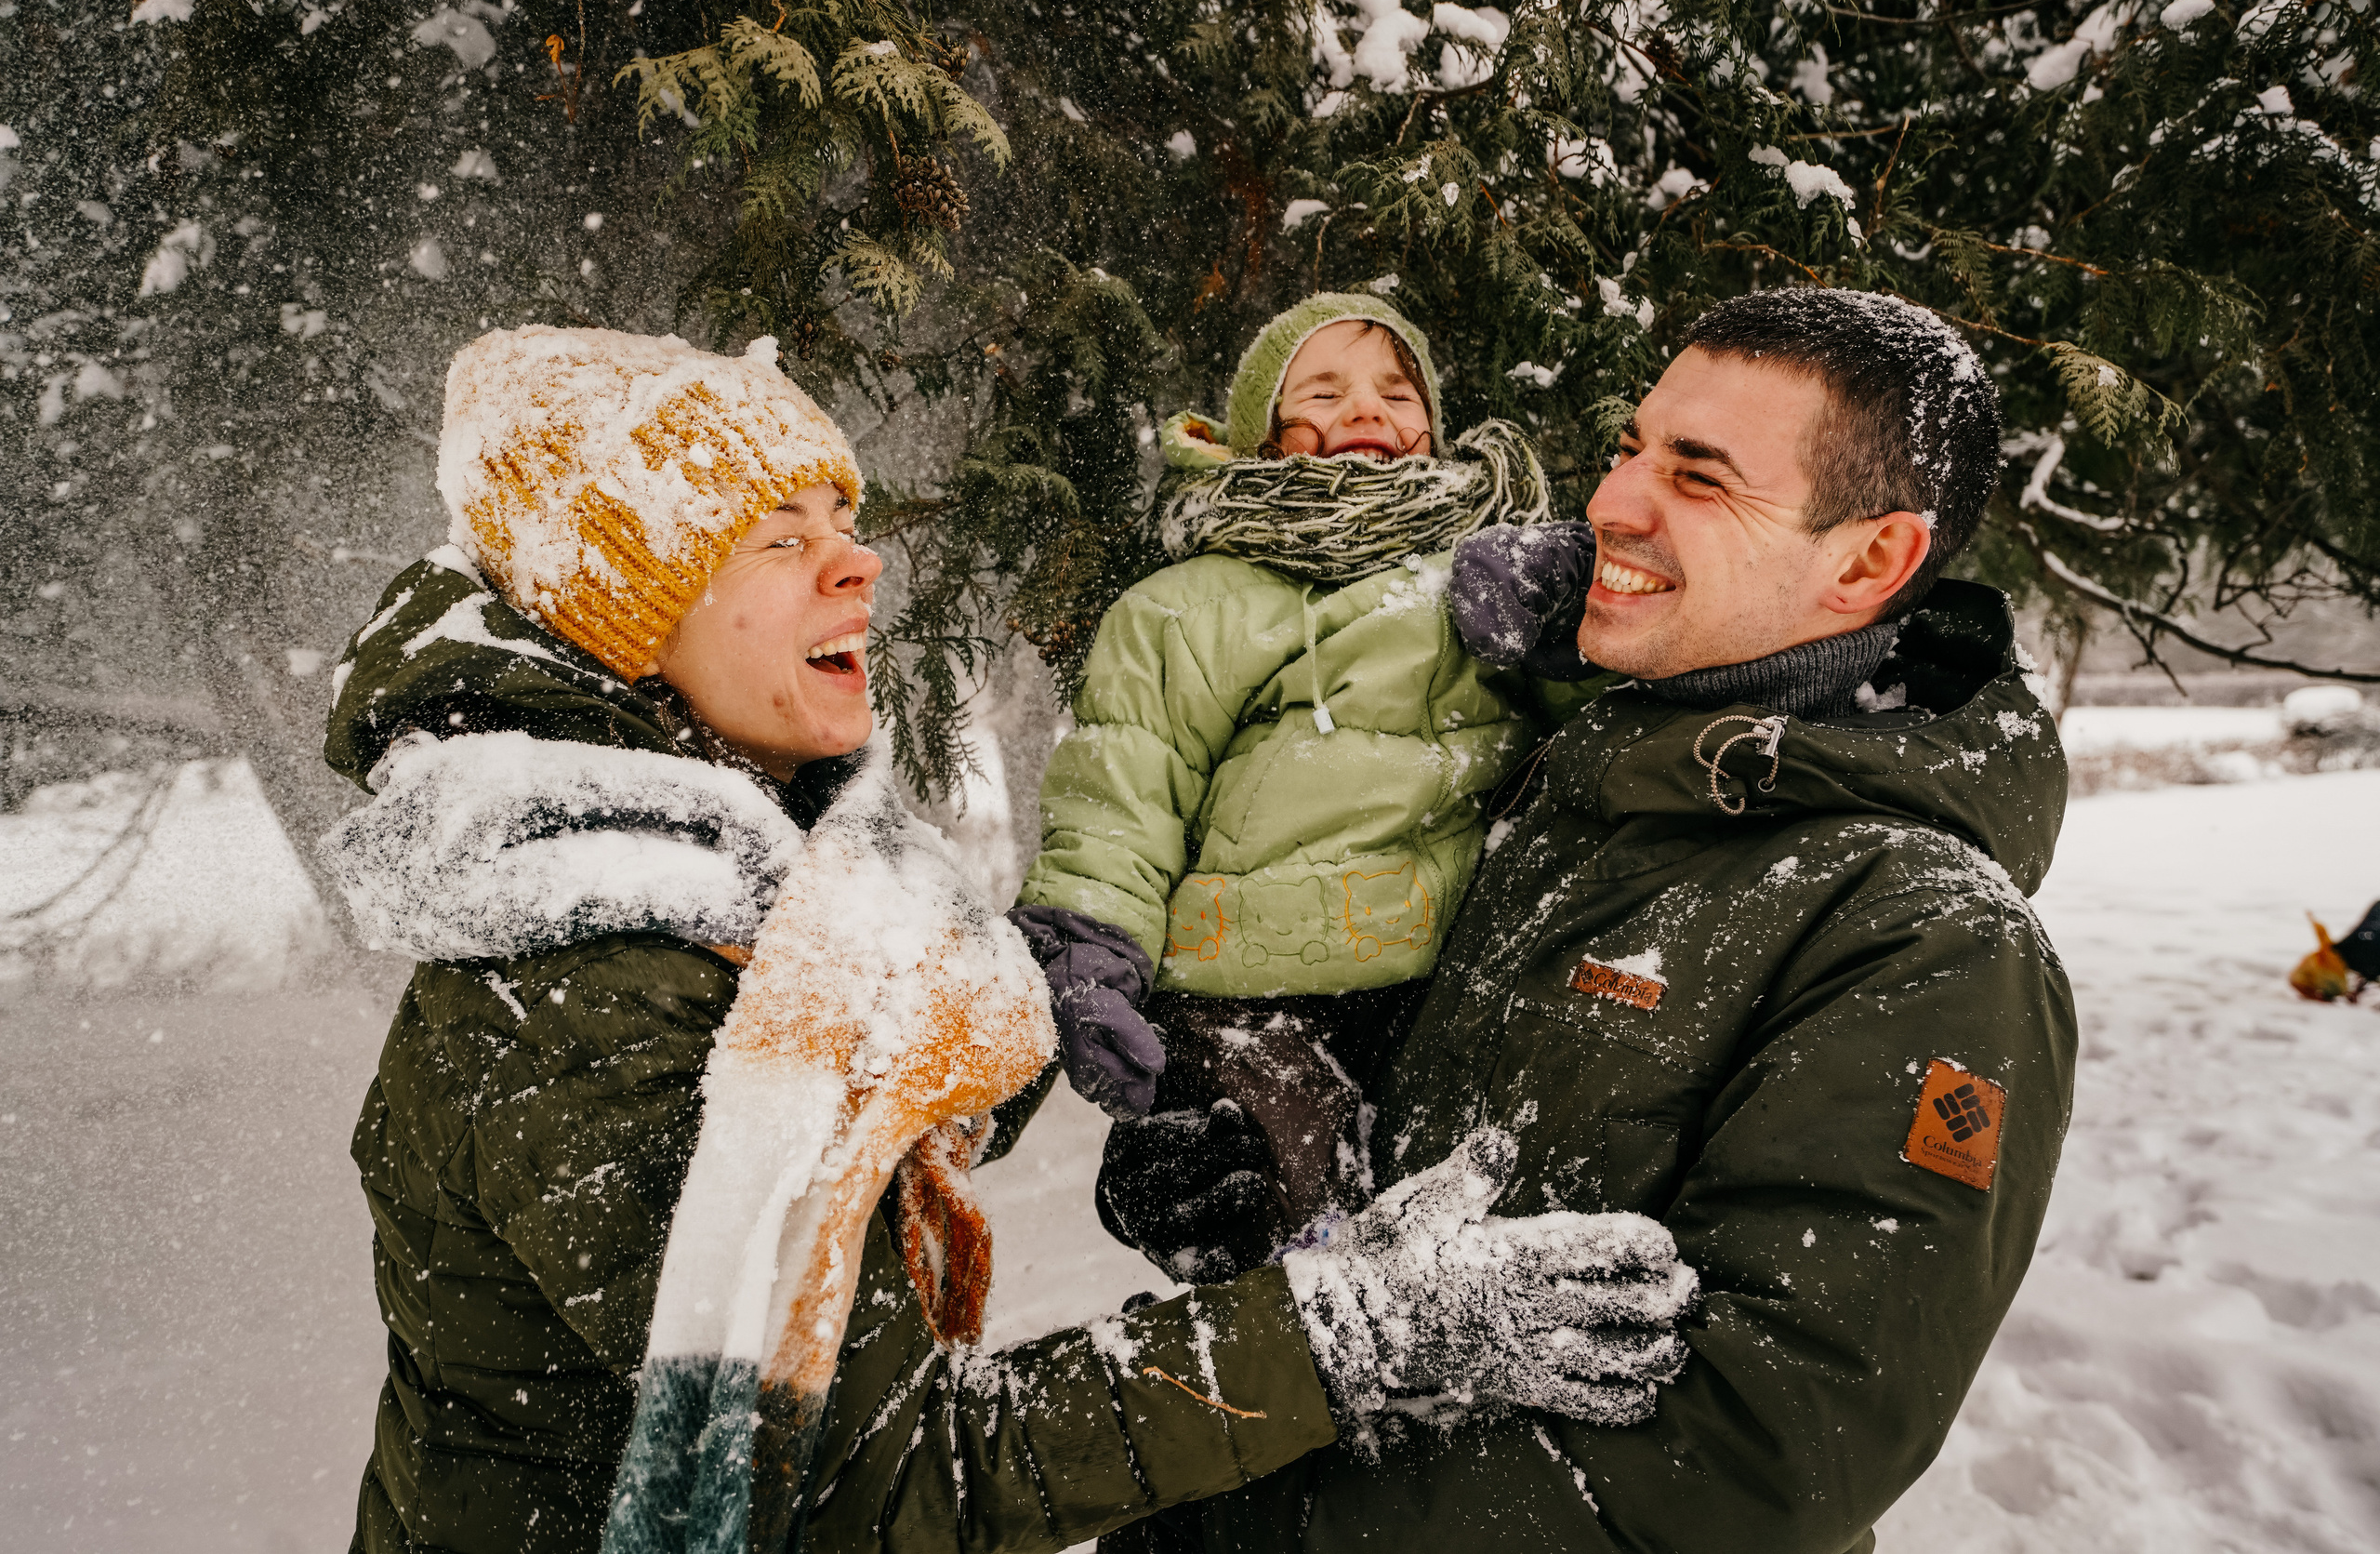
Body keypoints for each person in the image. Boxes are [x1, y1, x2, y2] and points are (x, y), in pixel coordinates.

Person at [326, 324, 1696, 1554]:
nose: (856, 558)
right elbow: (894, 1483)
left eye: (842, 519)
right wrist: (1348, 1330)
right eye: (777, 539)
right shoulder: (583, 1004)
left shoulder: (766, 900)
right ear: (624, 617)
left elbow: (928, 1059)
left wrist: (1076, 988)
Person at [1095, 288, 2081, 1553]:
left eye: (1700, 475)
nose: (1612, 502)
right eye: (1630, 445)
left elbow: (1759, 1446)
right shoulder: (1567, 784)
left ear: (1870, 560)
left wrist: (1252, 1529)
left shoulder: (1921, 936)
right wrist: (1247, 1152)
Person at [1010, 292, 1597, 1282]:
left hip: (1447, 982)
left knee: (1465, 1239)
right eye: (1322, 390)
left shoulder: (1483, 580)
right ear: (1260, 439)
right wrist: (1090, 942)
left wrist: (1575, 606)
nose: (1366, 409)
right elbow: (1125, 789)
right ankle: (1275, 1392)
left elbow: (1604, 741)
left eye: (1395, 390)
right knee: (1287, 1253)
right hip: (1248, 998)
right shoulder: (1188, 607)